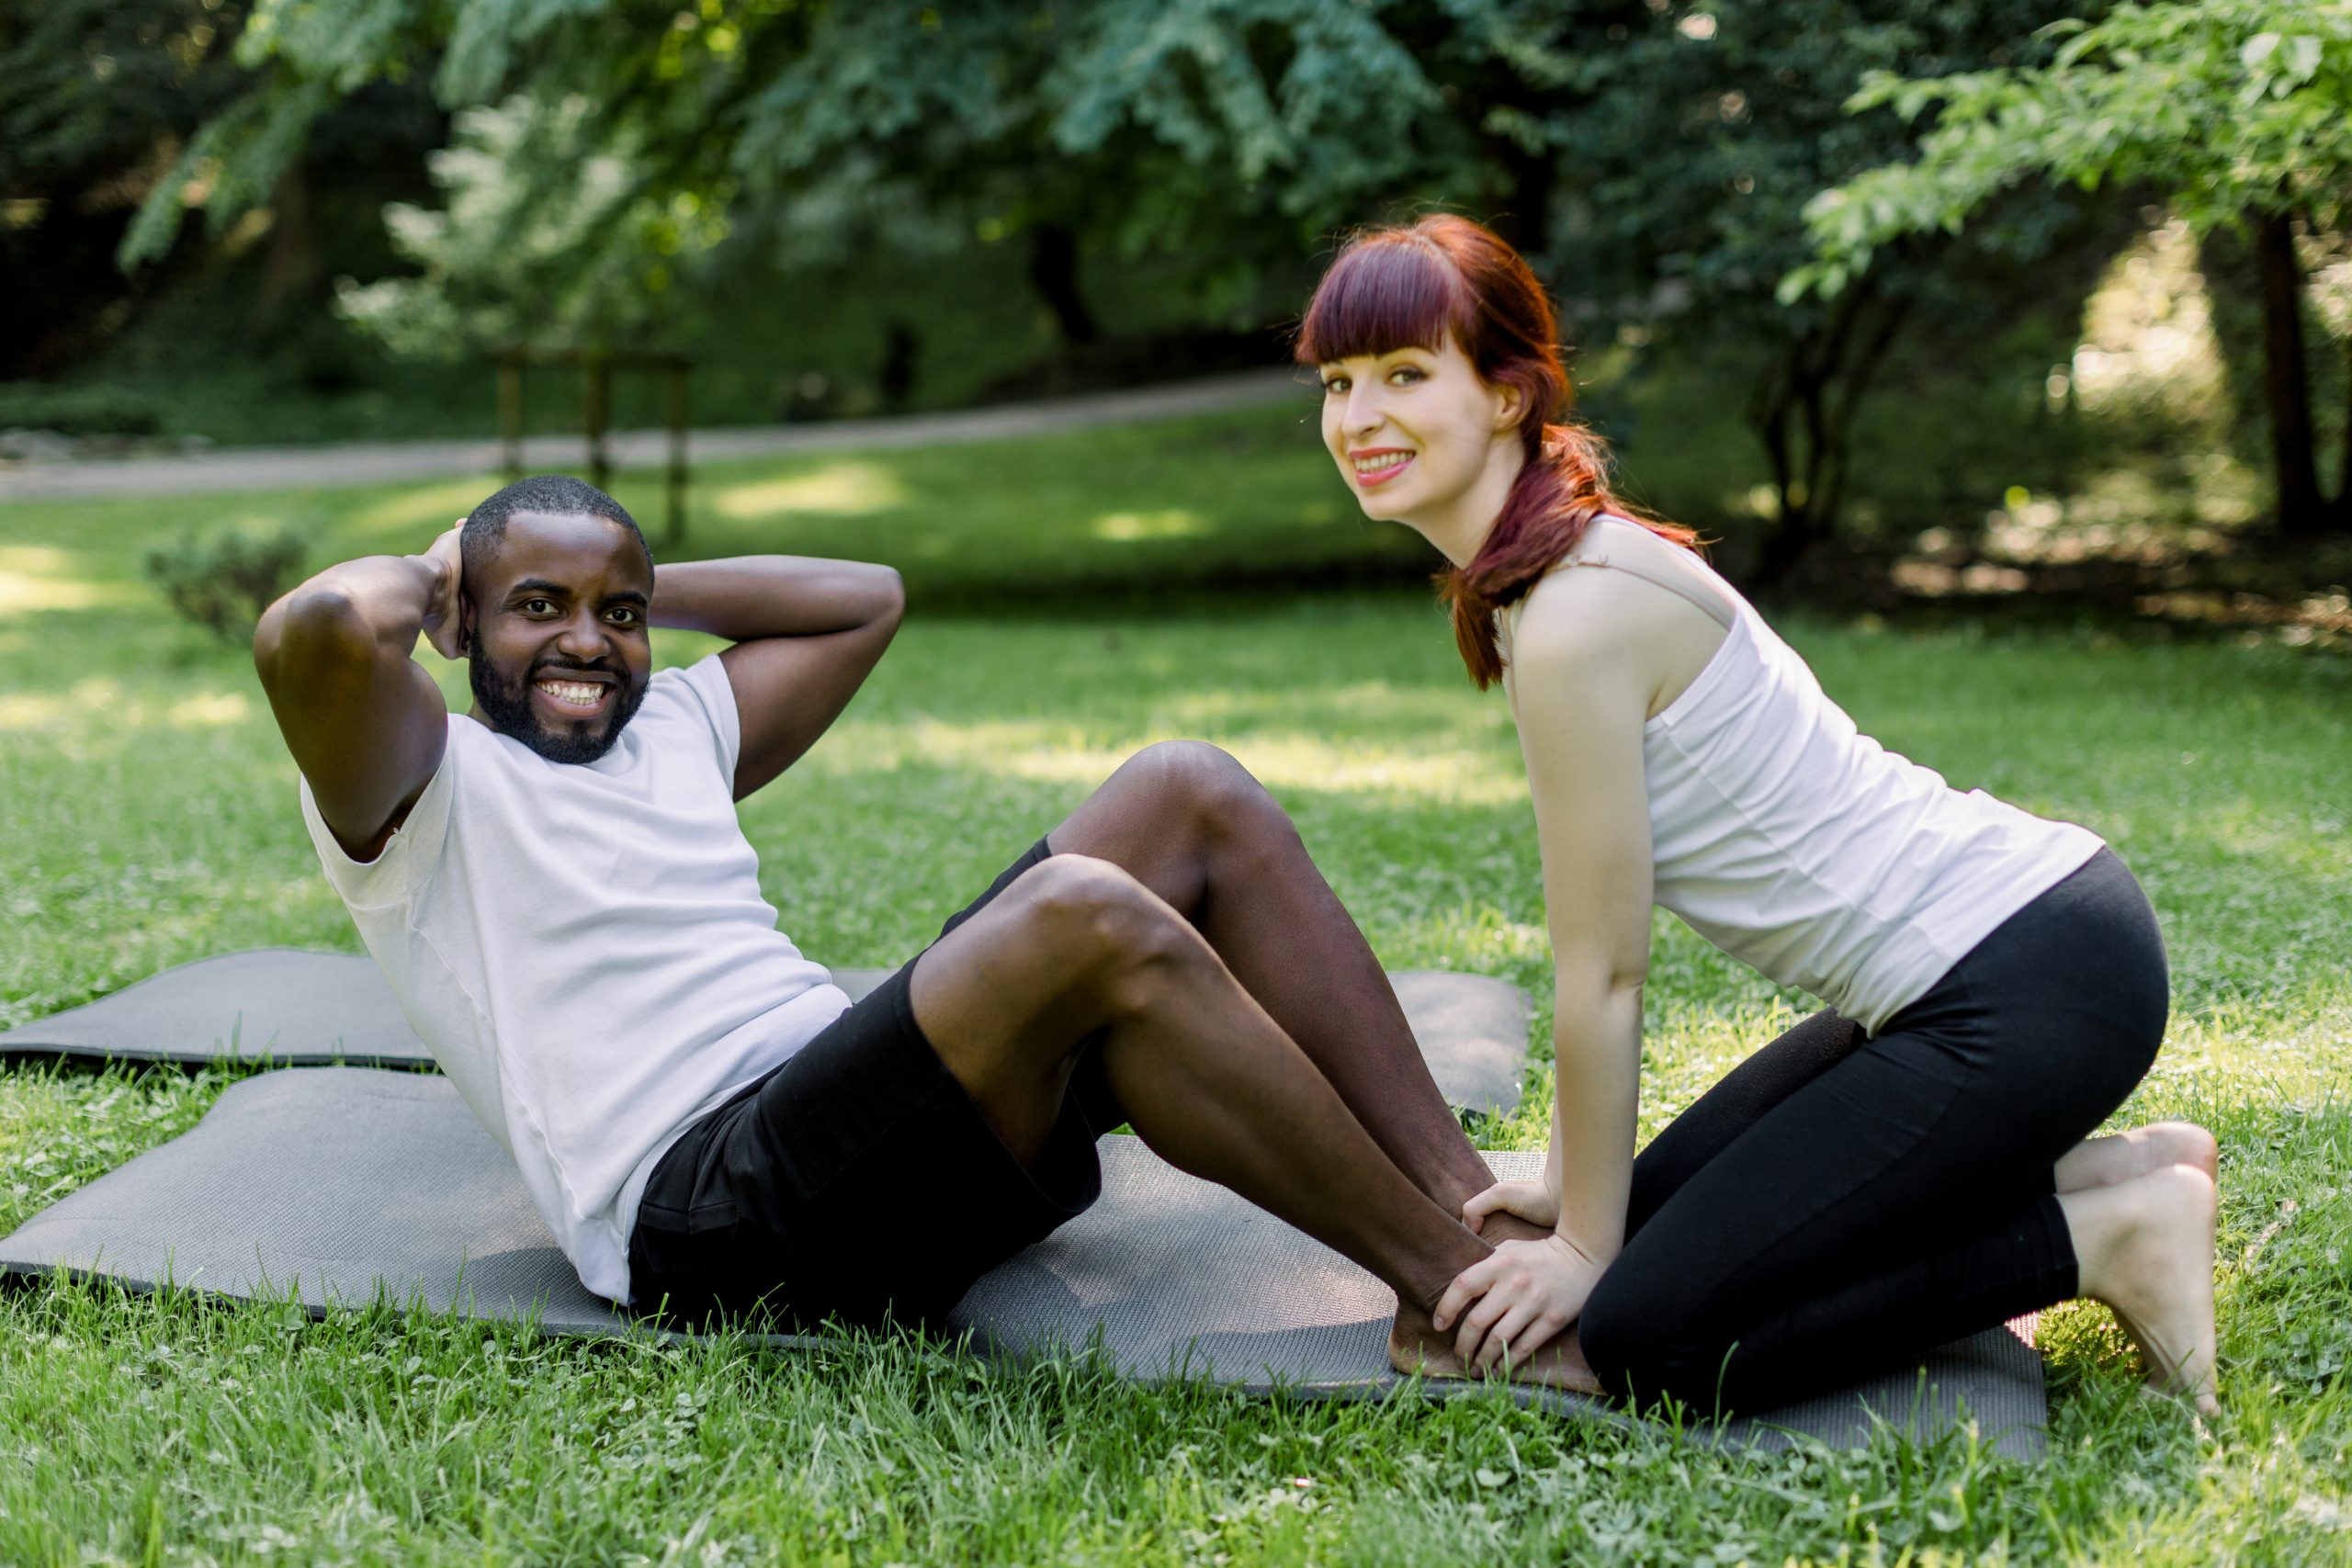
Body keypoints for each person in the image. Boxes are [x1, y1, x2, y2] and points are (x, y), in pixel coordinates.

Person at [252, 472, 1547, 1372]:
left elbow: (863, 593)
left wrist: (611, 573)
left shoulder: (678, 726)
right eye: (539, 608)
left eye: (619, 615)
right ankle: (1454, 1302)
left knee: (1186, 789)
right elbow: (312, 628)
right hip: (708, 1213)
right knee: (1081, 913)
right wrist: (445, 567)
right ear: (461, 625)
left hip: (849, 1121)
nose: (587, 644)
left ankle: (1475, 1211)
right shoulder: (422, 789)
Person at [1295, 215, 2221, 1415]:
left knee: (1650, 1334)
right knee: (1654, 1224)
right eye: (1339, 383)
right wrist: (1580, 1198)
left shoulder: (1575, 616)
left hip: (2027, 982)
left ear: (1509, 394)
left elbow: (1604, 971)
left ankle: (2110, 1238)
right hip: (2003, 960)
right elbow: (1597, 961)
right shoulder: (1551, 582)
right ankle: (2117, 1173)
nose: (1360, 417)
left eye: (1405, 374)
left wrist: (1581, 1247)